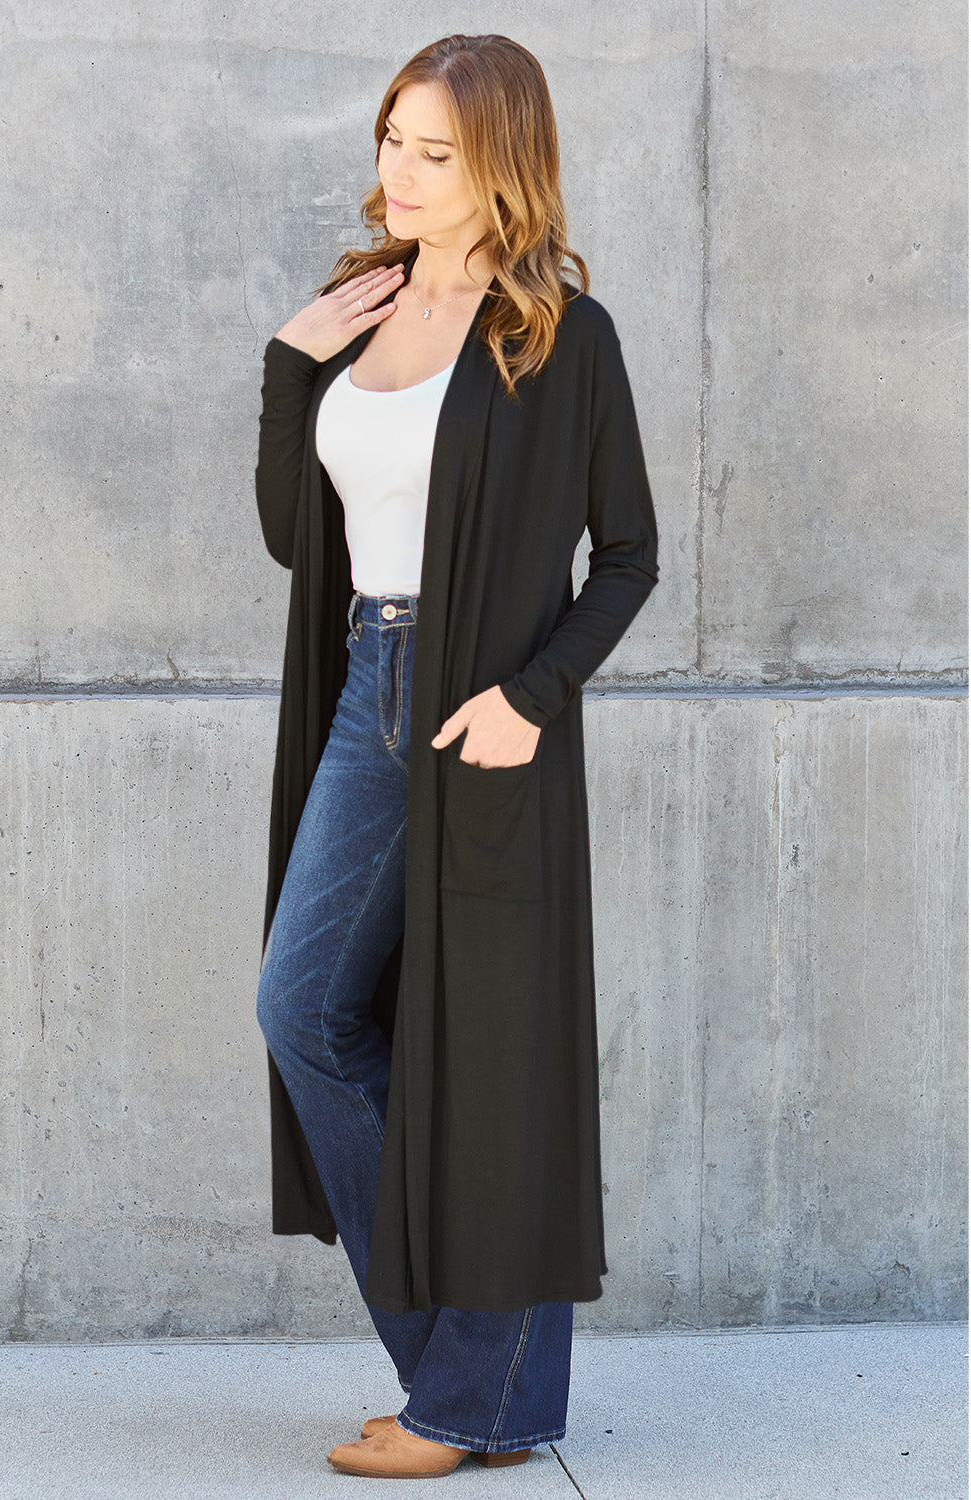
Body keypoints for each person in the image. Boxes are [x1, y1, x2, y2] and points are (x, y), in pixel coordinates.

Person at [253, 32, 659, 1481]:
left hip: (485, 716)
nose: (400, 174)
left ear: (505, 159)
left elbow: (627, 559)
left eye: (435, 151)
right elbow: (305, 540)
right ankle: (461, 1381)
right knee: (305, 1009)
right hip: (371, 680)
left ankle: (467, 1399)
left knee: (487, 1058)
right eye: (391, 142)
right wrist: (290, 373)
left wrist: (533, 697)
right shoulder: (357, 309)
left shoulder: (556, 334)